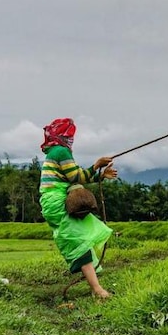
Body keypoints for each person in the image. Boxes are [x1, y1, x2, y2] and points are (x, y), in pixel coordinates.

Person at [38, 118, 118, 299]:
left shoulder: (55, 151)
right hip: (56, 202)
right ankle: (98, 291)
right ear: (62, 136)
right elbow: (75, 177)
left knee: (81, 237)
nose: (71, 140)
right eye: (69, 136)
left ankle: (95, 287)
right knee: (79, 241)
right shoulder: (61, 151)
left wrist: (101, 175)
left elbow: (72, 177)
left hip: (52, 201)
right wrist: (96, 165)